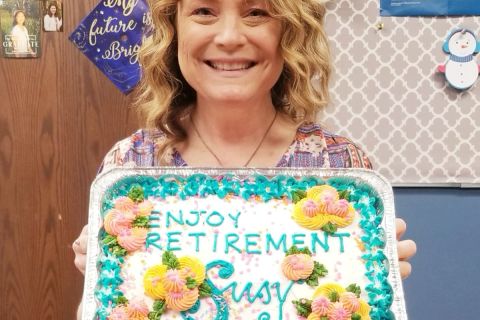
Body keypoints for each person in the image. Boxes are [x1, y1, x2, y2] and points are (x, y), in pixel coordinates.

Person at [73, 0, 417, 317]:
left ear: (289, 30)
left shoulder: (340, 168)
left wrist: (374, 290)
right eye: (204, 11)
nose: (229, 37)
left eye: (256, 12)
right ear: (173, 29)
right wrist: (101, 282)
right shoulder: (133, 165)